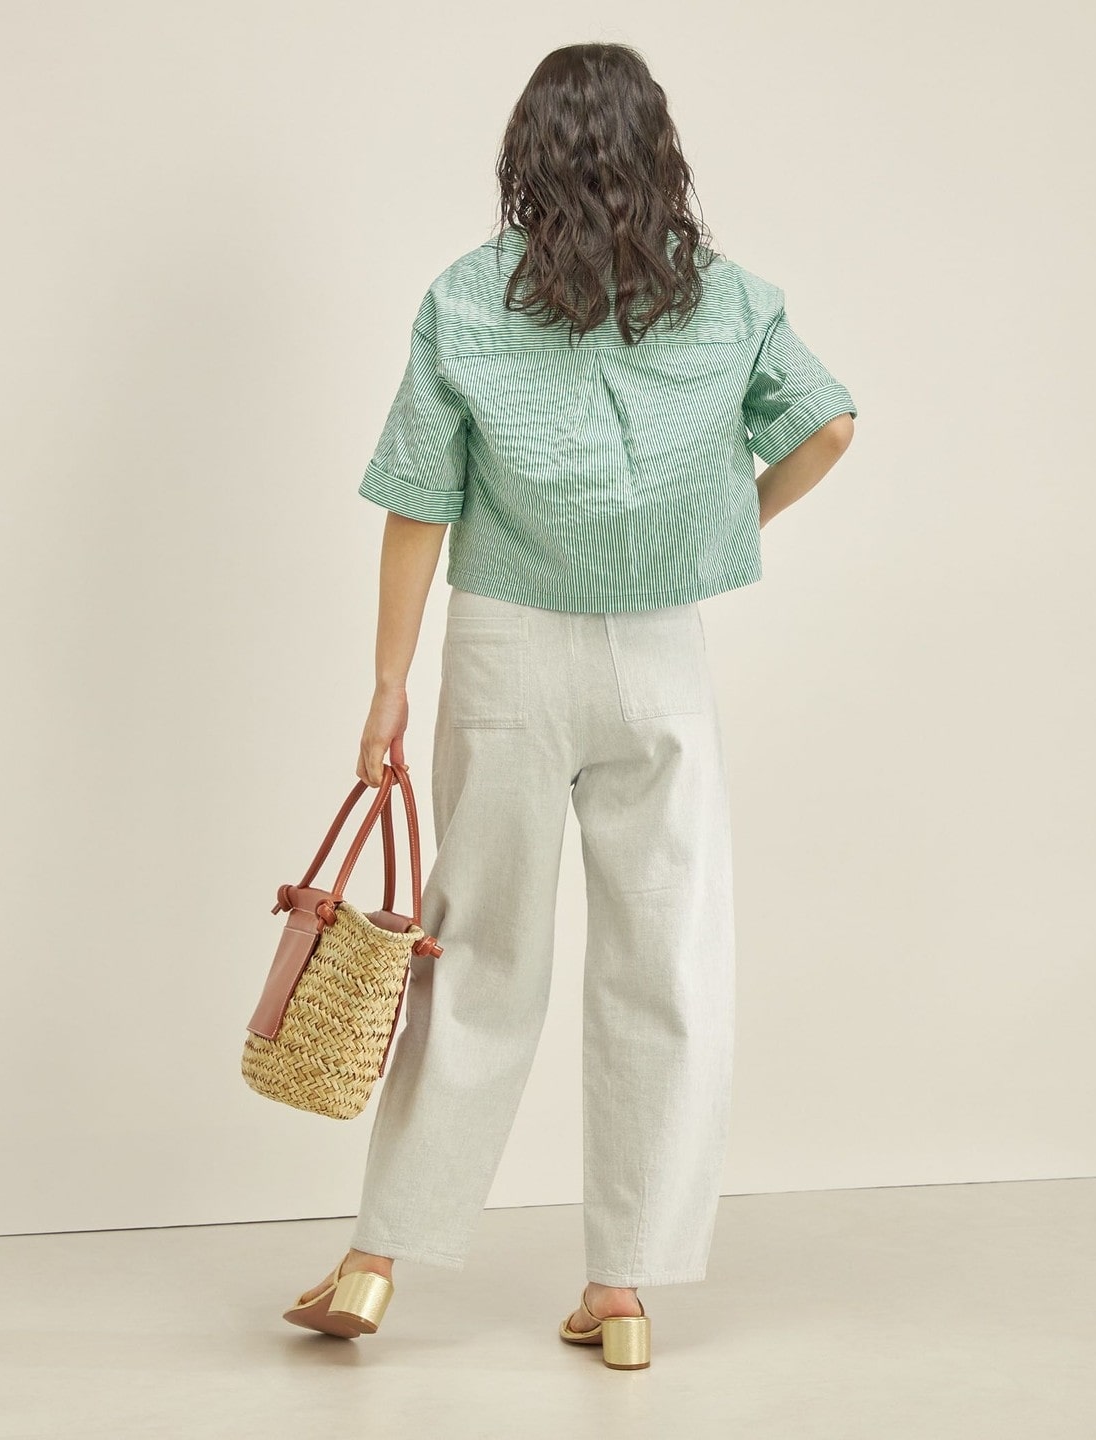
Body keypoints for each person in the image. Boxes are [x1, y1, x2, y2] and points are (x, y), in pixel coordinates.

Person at [283, 40, 856, 1368]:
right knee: (664, 961)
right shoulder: (726, 298)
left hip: (504, 653)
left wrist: (388, 683)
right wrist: (728, 523)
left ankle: (374, 1265)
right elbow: (828, 427)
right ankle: (625, 1290)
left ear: (524, 157)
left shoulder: (465, 297)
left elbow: (417, 500)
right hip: (659, 661)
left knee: (476, 954)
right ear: (662, 155)